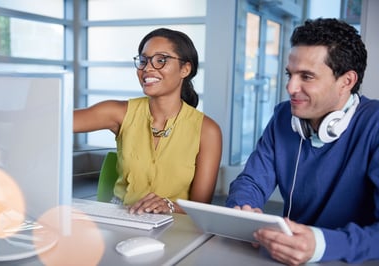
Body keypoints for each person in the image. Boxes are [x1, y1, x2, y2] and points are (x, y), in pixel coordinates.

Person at [226, 18, 379, 265]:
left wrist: (320, 244)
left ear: (346, 81)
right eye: (290, 74)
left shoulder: (375, 124)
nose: (290, 87)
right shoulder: (283, 116)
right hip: (287, 256)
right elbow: (251, 180)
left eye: (306, 76)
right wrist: (243, 208)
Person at [74, 28, 222, 215]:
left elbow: (201, 208)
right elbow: (58, 120)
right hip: (122, 219)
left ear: (185, 69)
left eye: (161, 60)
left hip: (175, 227)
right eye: (143, 60)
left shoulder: (207, 131)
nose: (148, 68)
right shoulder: (118, 112)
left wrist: (169, 206)